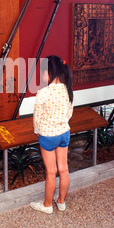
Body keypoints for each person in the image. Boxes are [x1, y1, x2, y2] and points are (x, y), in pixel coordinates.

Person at [30, 55, 74, 214]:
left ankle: (47, 205)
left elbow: (37, 117)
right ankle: (61, 201)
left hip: (48, 136)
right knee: (64, 169)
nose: (42, 76)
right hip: (64, 134)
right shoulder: (66, 89)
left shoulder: (43, 93)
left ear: (49, 72)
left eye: (43, 72)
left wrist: (37, 131)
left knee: (51, 171)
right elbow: (69, 113)